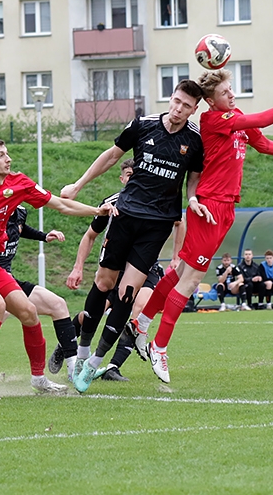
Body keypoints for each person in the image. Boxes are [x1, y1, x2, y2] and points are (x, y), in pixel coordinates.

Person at [129, 69, 273, 382]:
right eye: (226, 92)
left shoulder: (234, 115)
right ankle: (159, 347)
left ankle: (141, 323)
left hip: (225, 208)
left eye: (232, 90)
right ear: (211, 101)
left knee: (178, 273)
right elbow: (263, 120)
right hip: (210, 207)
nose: (232, 95)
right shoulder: (215, 120)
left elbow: (262, 142)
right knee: (189, 281)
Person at [60, 79, 206, 392]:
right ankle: (82, 353)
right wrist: (78, 185)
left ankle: (95, 364)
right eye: (177, 101)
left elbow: (193, 180)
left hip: (157, 224)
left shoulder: (195, 140)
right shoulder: (143, 125)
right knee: (103, 283)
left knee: (127, 294)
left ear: (195, 109)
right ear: (171, 98)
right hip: (126, 216)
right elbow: (111, 156)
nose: (180, 109)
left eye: (187, 106)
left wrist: (192, 198)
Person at [0, 137, 110, 400]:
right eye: (1, 155)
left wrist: (96, 211)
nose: (8, 159)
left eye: (7, 153)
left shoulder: (19, 183)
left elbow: (60, 203)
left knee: (29, 312)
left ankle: (38, 379)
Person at [63, 158, 178, 381]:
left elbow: (178, 222)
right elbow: (89, 235)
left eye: (137, 173)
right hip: (114, 267)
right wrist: (77, 268)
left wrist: (175, 257)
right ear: (122, 178)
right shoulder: (113, 203)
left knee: (137, 303)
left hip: (143, 267)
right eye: (128, 174)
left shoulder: (160, 203)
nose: (133, 178)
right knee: (97, 304)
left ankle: (109, 365)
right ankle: (76, 348)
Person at [0, 205, 79, 382]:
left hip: (8, 279)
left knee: (58, 304)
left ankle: (74, 369)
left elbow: (20, 229)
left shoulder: (20, 211)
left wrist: (44, 236)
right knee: (1, 310)